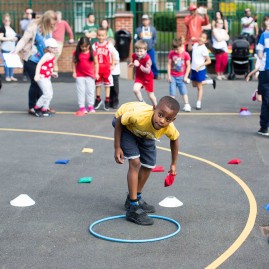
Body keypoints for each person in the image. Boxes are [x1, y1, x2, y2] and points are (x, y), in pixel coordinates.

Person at [113, 96, 180, 225]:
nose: (162, 121)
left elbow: (175, 140)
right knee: (135, 162)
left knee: (149, 164)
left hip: (145, 132)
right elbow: (119, 122)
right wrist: (117, 147)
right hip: (126, 125)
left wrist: (173, 163)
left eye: (167, 119)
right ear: (154, 108)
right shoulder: (138, 116)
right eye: (160, 115)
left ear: (173, 120)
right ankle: (133, 208)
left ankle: (135, 197)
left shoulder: (168, 127)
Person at [13, 10, 57, 116]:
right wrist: (16, 50)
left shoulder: (49, 29)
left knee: (42, 84)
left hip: (43, 60)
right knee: (35, 82)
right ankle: (32, 107)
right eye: (51, 24)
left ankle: (42, 105)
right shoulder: (33, 27)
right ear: (45, 21)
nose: (52, 26)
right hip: (31, 59)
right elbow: (23, 40)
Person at [188, 32, 216, 110]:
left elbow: (209, 61)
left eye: (203, 38)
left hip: (200, 70)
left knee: (199, 87)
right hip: (193, 69)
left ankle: (198, 103)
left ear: (206, 41)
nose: (201, 38)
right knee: (194, 85)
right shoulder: (196, 45)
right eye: (200, 36)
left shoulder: (204, 49)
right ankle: (210, 82)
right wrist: (190, 41)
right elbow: (189, 49)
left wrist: (200, 65)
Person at [72, 36, 99, 114]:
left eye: (85, 46)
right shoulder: (76, 52)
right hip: (80, 75)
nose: (84, 48)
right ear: (79, 45)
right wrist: (74, 72)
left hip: (90, 75)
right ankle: (82, 107)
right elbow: (74, 62)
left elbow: (96, 63)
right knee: (81, 91)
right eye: (82, 46)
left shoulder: (92, 53)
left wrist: (96, 73)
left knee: (90, 91)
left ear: (89, 45)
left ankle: (90, 106)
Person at [32, 38, 58, 117]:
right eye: (53, 47)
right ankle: (36, 107)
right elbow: (39, 64)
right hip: (42, 77)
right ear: (48, 48)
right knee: (47, 94)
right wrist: (37, 75)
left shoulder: (52, 55)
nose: (55, 49)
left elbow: (47, 66)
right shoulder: (47, 55)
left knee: (50, 94)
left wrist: (52, 73)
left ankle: (44, 109)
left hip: (47, 77)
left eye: (56, 47)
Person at [129, 40, 157, 107]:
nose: (139, 53)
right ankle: (142, 102)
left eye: (141, 51)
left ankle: (156, 106)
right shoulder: (134, 56)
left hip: (148, 78)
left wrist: (139, 65)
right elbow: (134, 62)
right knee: (135, 89)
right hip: (139, 77)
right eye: (137, 51)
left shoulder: (147, 59)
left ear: (145, 50)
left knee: (150, 95)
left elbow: (148, 71)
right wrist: (132, 64)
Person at [92, 28, 115, 111]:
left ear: (106, 36)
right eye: (99, 35)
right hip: (97, 69)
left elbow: (113, 54)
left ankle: (107, 100)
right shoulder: (94, 45)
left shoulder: (109, 45)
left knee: (107, 85)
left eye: (102, 35)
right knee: (97, 84)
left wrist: (113, 64)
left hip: (106, 68)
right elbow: (92, 57)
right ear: (97, 35)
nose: (101, 37)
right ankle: (98, 99)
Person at [167, 37, 191, 112]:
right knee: (172, 92)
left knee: (183, 91)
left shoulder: (185, 54)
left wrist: (186, 76)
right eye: (175, 49)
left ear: (182, 46)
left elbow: (188, 66)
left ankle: (187, 104)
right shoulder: (171, 53)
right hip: (173, 76)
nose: (176, 51)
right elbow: (168, 64)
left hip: (181, 76)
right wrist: (168, 76)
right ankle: (172, 106)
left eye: (178, 49)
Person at [256, 15, 269, 136]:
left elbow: (259, 54)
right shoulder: (264, 35)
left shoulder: (264, 35)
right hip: (266, 70)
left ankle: (264, 128)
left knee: (266, 100)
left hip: (266, 71)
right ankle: (264, 127)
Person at [134, 14, 159, 79]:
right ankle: (142, 75)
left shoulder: (153, 29)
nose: (145, 21)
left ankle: (155, 74)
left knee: (152, 61)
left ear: (149, 21)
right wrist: (138, 46)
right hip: (141, 50)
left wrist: (153, 45)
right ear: (142, 21)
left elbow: (155, 38)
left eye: (146, 20)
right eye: (143, 20)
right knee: (142, 62)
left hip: (150, 49)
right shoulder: (138, 30)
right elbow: (136, 39)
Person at [0, 13, 18, 82]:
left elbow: (15, 35)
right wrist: (9, 39)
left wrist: (15, 38)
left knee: (12, 62)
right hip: (5, 47)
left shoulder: (12, 28)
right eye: (6, 20)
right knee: (7, 62)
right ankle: (7, 76)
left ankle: (11, 75)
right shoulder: (2, 28)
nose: (7, 22)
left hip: (12, 47)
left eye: (8, 20)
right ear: (3, 21)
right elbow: (1, 38)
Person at [20, 8, 34, 81]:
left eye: (30, 13)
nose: (29, 15)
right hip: (26, 42)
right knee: (25, 58)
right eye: (28, 13)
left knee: (32, 58)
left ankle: (31, 73)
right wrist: (29, 20)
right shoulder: (23, 22)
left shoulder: (34, 21)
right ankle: (25, 74)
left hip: (33, 42)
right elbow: (24, 28)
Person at [107, 37, 120, 109]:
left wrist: (112, 64)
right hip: (109, 73)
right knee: (109, 88)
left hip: (115, 73)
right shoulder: (107, 52)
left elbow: (116, 61)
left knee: (115, 88)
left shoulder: (115, 52)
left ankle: (115, 102)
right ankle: (109, 101)